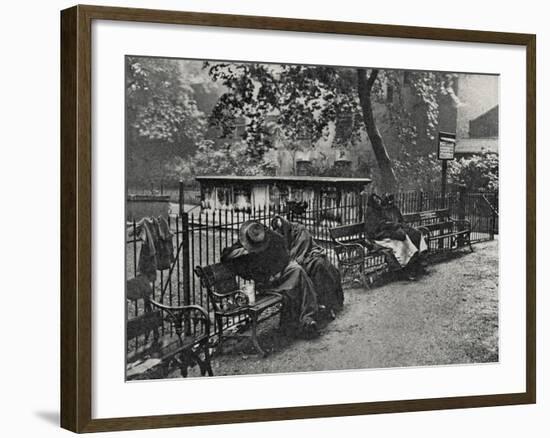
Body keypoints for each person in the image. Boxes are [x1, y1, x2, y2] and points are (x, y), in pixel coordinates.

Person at [221, 220, 320, 338]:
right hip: (265, 284)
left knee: (298, 270)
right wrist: (244, 250)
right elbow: (226, 256)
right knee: (298, 281)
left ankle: (307, 318)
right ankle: (307, 318)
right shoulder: (244, 243)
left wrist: (278, 272)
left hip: (279, 276)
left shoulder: (273, 238)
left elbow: (284, 256)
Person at [271, 215, 344, 318]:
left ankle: (329, 305)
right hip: (298, 262)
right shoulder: (280, 237)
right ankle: (314, 307)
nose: (280, 232)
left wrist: (293, 258)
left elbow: (302, 248)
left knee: (320, 265)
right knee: (304, 271)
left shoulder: (300, 229)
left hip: (308, 256)